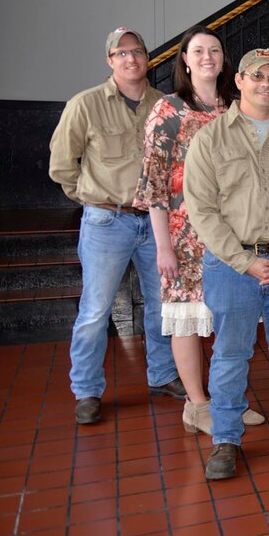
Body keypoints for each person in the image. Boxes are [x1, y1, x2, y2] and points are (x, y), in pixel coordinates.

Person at [184, 48, 269, 480]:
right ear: (239, 80)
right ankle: (225, 440)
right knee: (229, 355)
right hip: (231, 267)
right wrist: (245, 262)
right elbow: (202, 210)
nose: (267, 84)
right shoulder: (210, 139)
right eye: (257, 76)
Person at [134, 26, 265, 434]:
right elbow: (155, 186)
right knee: (187, 319)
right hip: (185, 237)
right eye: (198, 51)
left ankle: (227, 400)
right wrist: (163, 247)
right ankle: (198, 404)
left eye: (215, 50)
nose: (208, 56)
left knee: (232, 319)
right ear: (185, 61)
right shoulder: (168, 111)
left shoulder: (236, 108)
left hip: (232, 235)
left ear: (224, 59)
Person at [49, 27, 182, 425]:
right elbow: (61, 165)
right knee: (94, 311)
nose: (130, 59)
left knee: (161, 306)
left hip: (155, 225)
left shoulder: (164, 105)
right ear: (110, 61)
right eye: (121, 53)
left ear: (148, 58)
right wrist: (94, 198)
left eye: (137, 51)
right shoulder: (85, 104)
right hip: (107, 222)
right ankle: (87, 390)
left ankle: (162, 375)